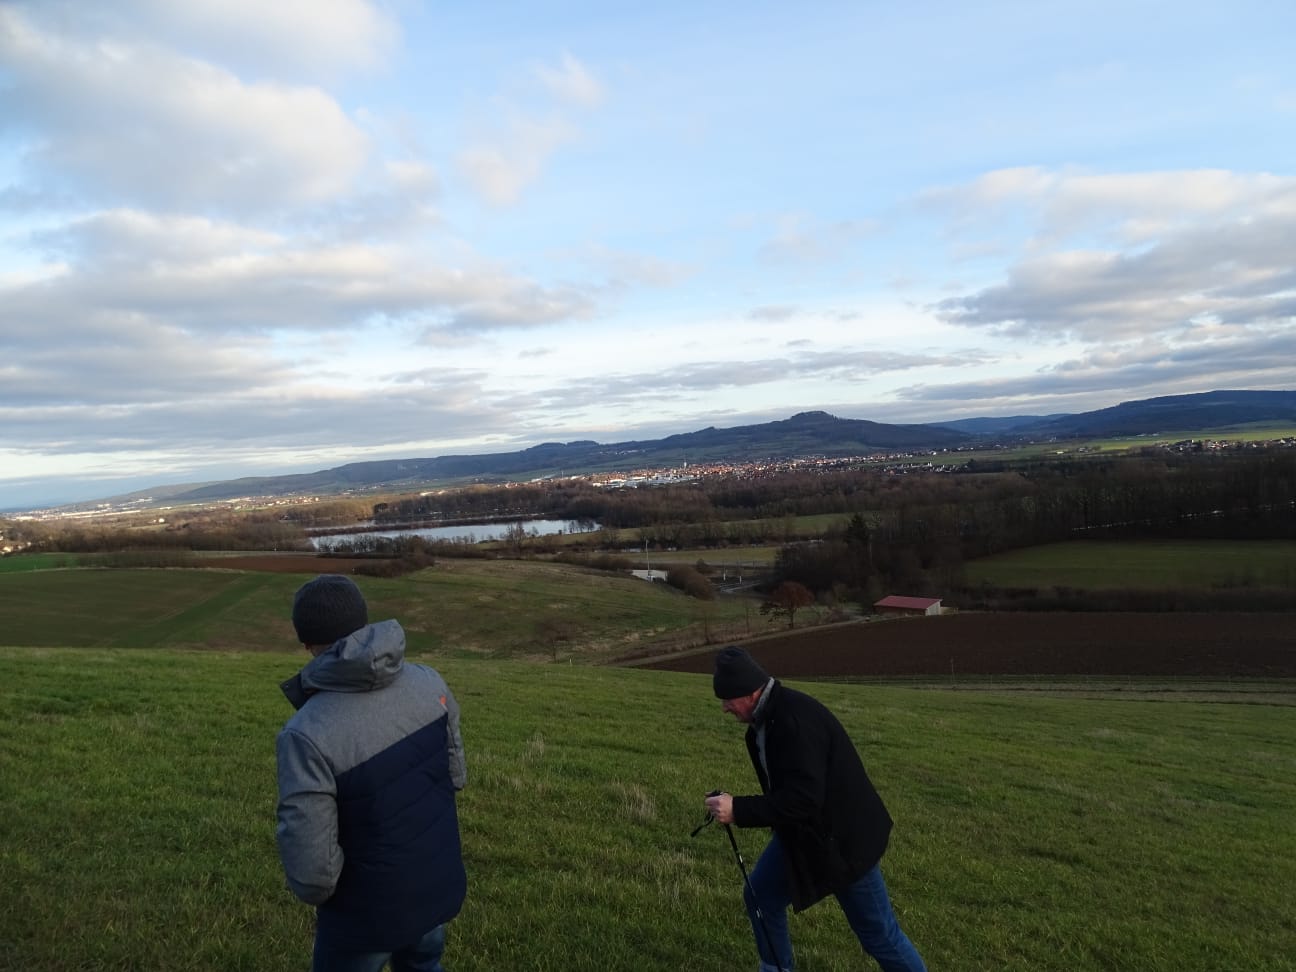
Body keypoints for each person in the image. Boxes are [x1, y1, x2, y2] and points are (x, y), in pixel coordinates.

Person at [276, 574, 467, 972]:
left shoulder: (305, 734)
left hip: (364, 917)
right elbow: (456, 776)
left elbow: (313, 875)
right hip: (434, 885)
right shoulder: (430, 682)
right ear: (364, 623)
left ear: (307, 644)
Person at [704, 646, 925, 972]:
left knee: (880, 935)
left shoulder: (792, 722)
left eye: (728, 699)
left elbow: (804, 799)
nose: (724, 708)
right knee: (761, 895)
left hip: (844, 841)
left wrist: (739, 809)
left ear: (751, 693)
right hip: (805, 834)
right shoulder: (766, 719)